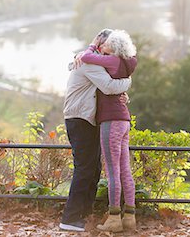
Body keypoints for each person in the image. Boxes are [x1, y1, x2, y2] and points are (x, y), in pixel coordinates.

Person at [59, 29, 131, 233]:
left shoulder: (94, 60)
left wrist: (124, 95)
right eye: (109, 48)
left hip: (88, 118)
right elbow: (108, 86)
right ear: (100, 45)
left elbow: (108, 88)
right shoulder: (90, 62)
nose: (111, 54)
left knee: (93, 168)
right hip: (79, 118)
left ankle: (84, 214)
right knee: (84, 168)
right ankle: (70, 218)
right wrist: (128, 83)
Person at [80, 29, 137, 233]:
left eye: (107, 44)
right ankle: (130, 216)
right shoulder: (130, 62)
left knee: (112, 171)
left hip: (110, 121)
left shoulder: (112, 61)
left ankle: (114, 218)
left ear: (114, 46)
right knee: (125, 170)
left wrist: (93, 44)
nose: (103, 47)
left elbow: (86, 57)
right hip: (124, 119)